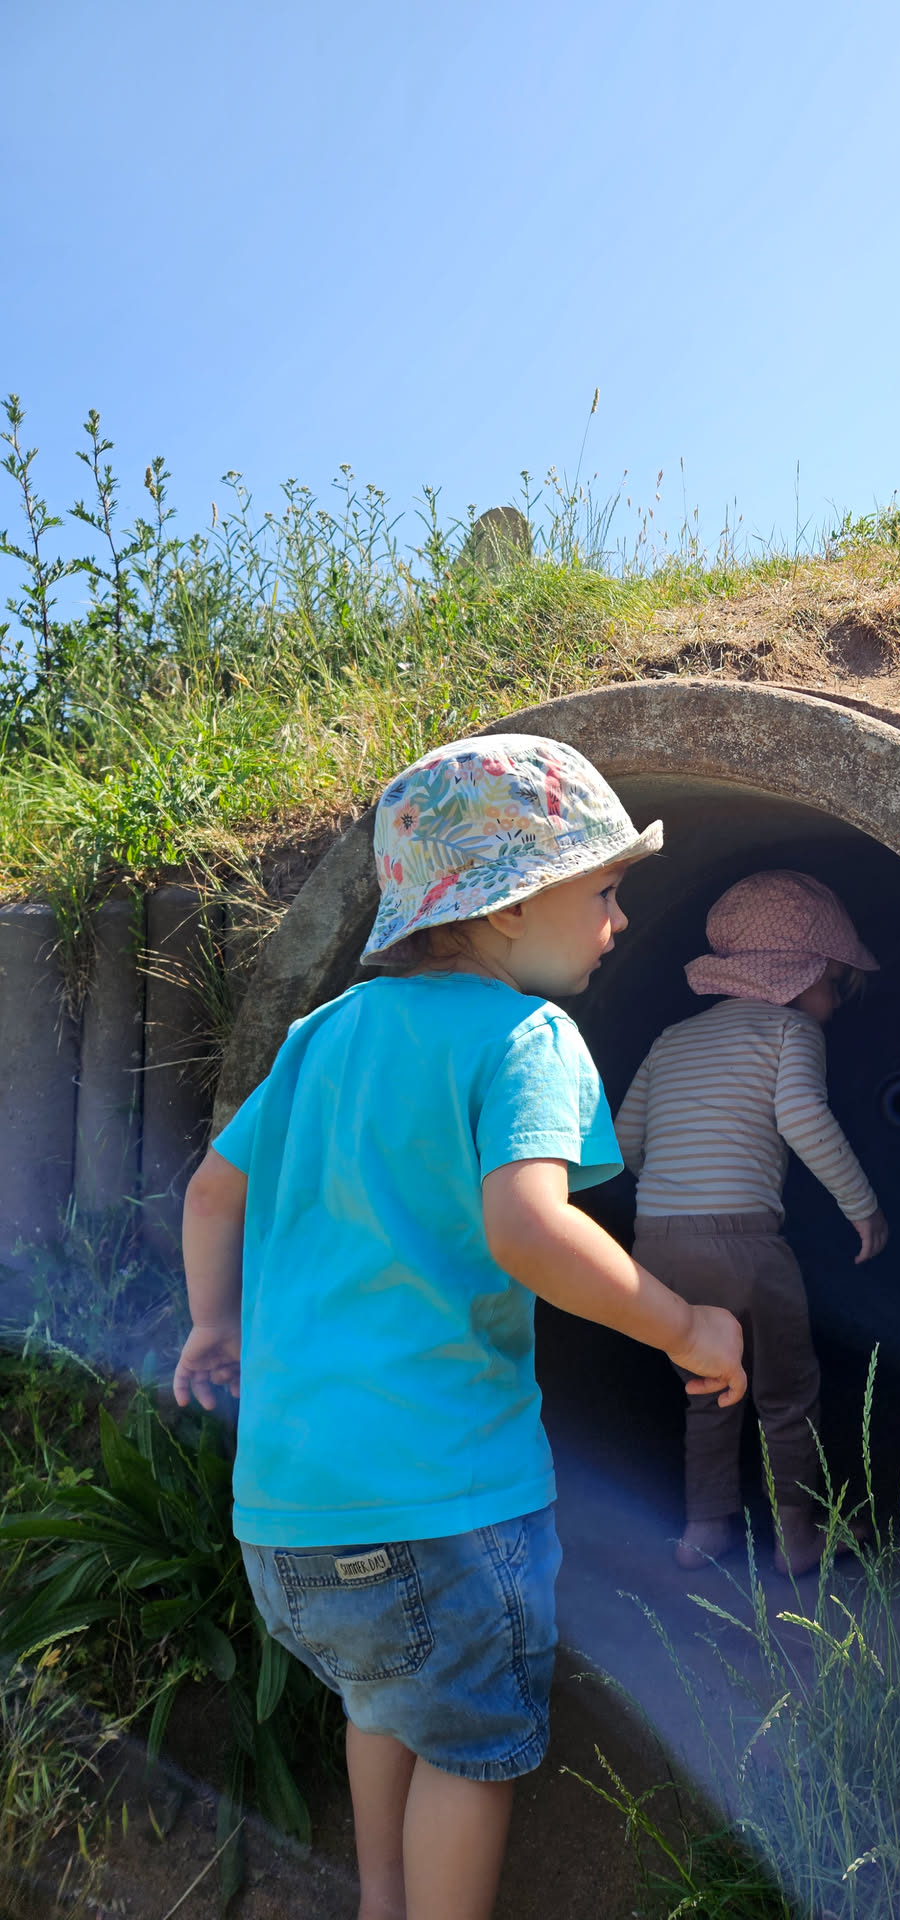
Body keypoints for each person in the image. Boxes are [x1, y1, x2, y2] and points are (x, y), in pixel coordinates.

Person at [172, 735, 745, 1920]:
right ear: (503, 910)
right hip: (444, 1502)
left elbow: (214, 1193)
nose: (621, 920)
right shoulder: (524, 1038)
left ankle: (381, 1899)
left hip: (287, 1513)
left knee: (386, 1698)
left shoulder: (319, 1037)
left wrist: (211, 1325)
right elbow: (530, 1231)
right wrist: (687, 1326)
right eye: (603, 890)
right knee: (471, 1752)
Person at [615, 869, 887, 1577]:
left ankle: (703, 1527)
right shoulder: (792, 1028)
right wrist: (863, 1207)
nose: (834, 1003)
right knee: (785, 1390)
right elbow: (802, 1117)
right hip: (745, 1244)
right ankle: (797, 1536)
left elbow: (625, 1143)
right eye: (836, 985)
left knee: (708, 1382)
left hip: (659, 1245)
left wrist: (678, 1197)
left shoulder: (672, 1039)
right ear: (807, 974)